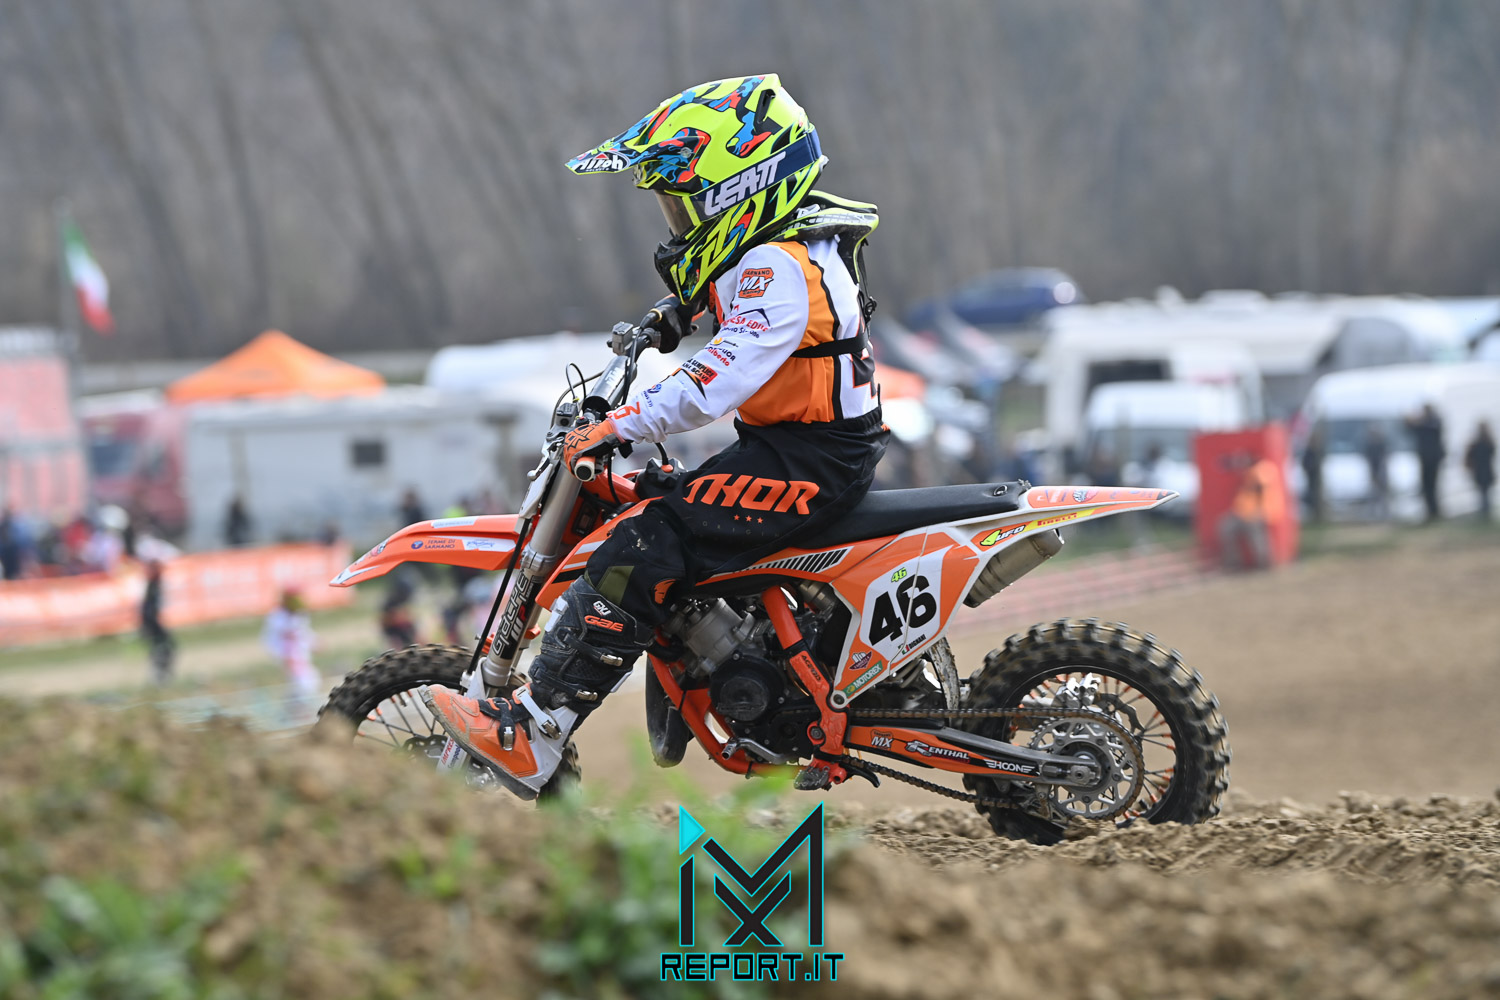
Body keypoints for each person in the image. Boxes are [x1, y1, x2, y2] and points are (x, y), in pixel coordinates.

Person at [423, 74, 888, 795]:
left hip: (809, 460)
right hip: (804, 447)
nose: (678, 221)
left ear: (742, 189)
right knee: (668, 508)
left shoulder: (778, 266)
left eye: (687, 202)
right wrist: (681, 311)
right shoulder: (790, 242)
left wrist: (618, 425)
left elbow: (715, 380)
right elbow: (752, 314)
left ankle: (536, 731)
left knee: (641, 545)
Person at [1217, 452, 1285, 571]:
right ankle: (1234, 563)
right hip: (1241, 512)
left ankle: (1264, 565)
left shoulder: (1262, 468)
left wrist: (1259, 510)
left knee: (1257, 539)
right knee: (1225, 528)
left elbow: (1261, 486)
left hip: (1256, 512)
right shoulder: (1248, 472)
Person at [262, 588, 322, 706]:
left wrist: (314, 643)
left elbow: (303, 633)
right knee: (305, 684)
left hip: (300, 655)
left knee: (311, 681)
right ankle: (298, 709)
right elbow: (274, 639)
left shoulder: (299, 614)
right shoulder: (278, 617)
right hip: (290, 657)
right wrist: (285, 657)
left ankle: (298, 707)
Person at [1405, 403, 1445, 522]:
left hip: (1432, 459)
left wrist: (1417, 420)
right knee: (1426, 486)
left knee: (1432, 486)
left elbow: (1429, 427)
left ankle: (1434, 512)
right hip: (1425, 458)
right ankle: (1430, 512)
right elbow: (1409, 428)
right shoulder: (1424, 423)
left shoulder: (1434, 422)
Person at [140, 559, 176, 685]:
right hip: (154, 625)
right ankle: (161, 677)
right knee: (162, 649)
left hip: (154, 624)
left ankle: (162, 676)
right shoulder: (152, 585)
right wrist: (152, 625)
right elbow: (148, 609)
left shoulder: (155, 584)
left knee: (166, 649)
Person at [1464, 421, 1496, 521]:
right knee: (1484, 493)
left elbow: (1470, 456)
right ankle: (1485, 512)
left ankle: (1484, 513)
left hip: (1481, 472)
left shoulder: (1477, 443)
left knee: (1483, 493)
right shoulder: (1488, 442)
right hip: (1485, 472)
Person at [1363, 424, 1390, 521]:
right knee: (1373, 494)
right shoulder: (1370, 446)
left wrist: (1380, 474)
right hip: (1373, 473)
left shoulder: (1382, 445)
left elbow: (1384, 459)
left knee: (1383, 495)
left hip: (1382, 473)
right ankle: (1372, 515)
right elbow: (1369, 460)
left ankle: (1384, 514)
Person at [1300, 425, 1325, 523]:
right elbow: (1305, 464)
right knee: (1312, 496)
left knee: (1316, 497)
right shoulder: (1309, 451)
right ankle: (1314, 516)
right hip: (1311, 478)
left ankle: (1318, 516)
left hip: (1316, 478)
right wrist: (1310, 468)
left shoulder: (1318, 451)